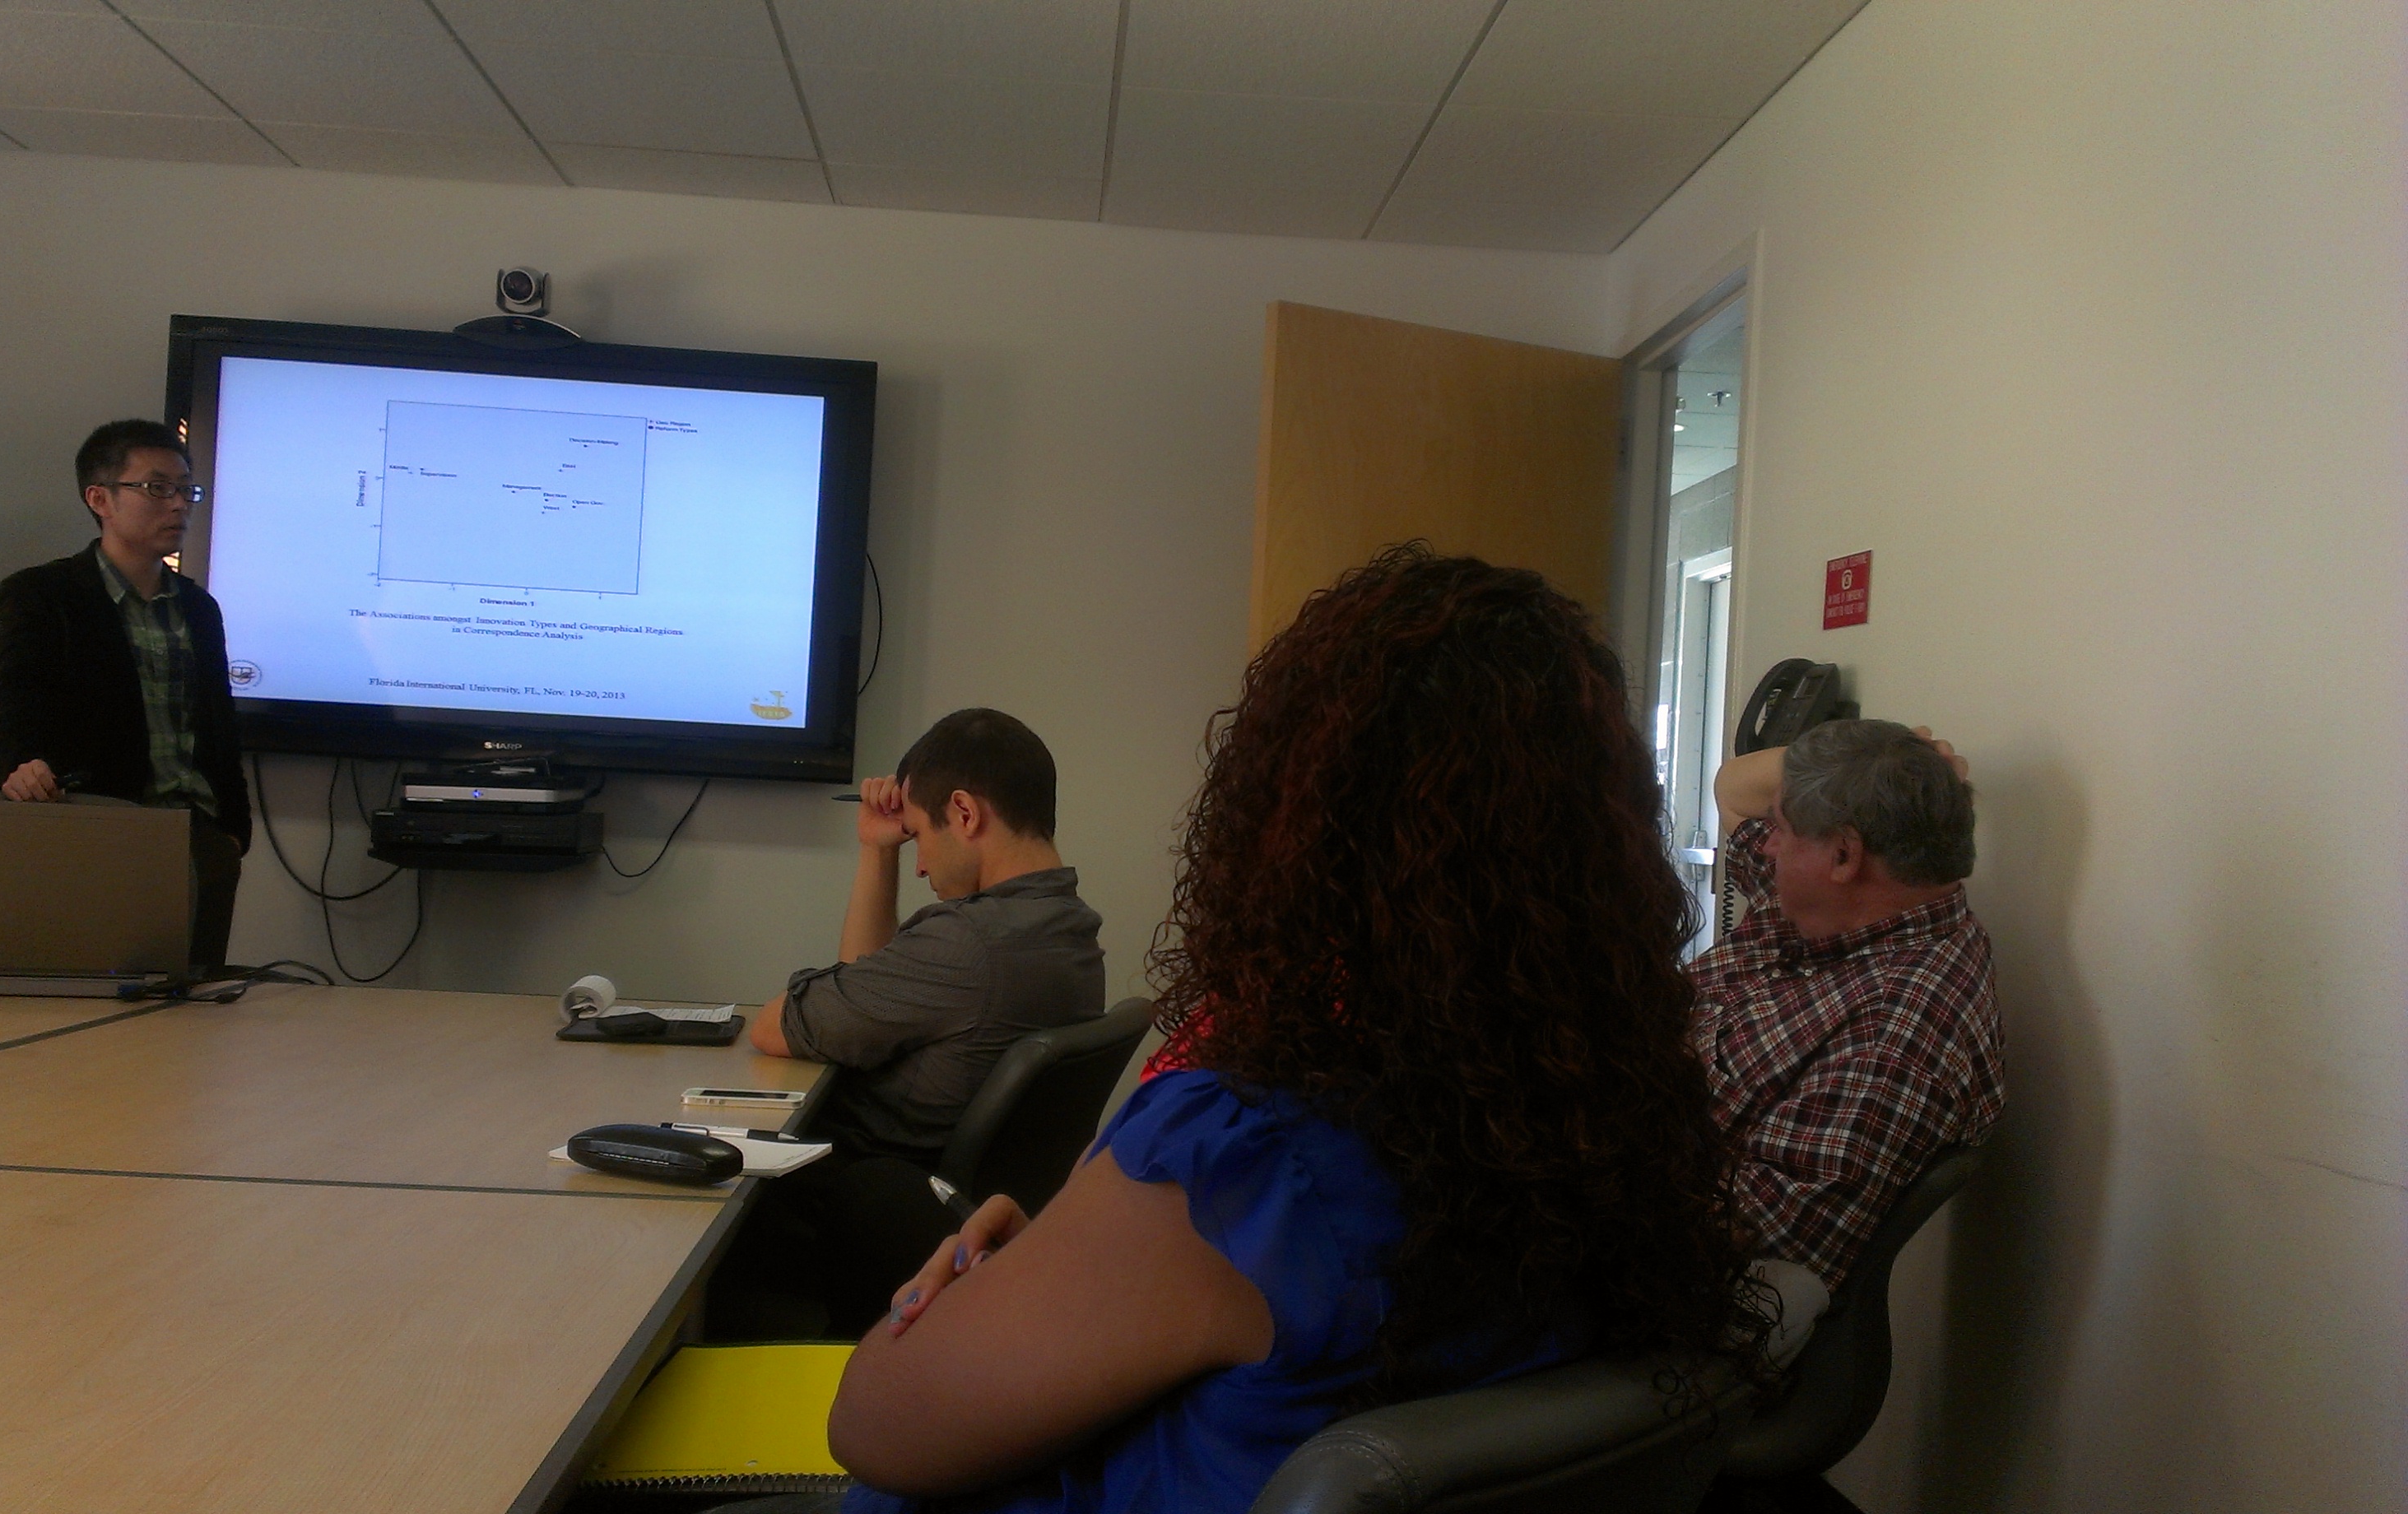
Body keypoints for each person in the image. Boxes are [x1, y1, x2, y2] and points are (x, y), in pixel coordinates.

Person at [789, 546, 1767, 1514]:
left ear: (1295, 825)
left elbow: (873, 1426)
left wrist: (987, 1294)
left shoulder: (1250, 1158)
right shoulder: (1606, 1119)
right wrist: (1079, 1261)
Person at [714, 708, 1106, 1337]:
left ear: (965, 813)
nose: (919, 864)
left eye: (918, 834)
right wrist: (879, 851)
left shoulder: (971, 943)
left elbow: (776, 1027)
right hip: (922, 1215)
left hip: (840, 1207)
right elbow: (868, 995)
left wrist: (819, 998)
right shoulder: (1068, 931)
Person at [1693, 719, 2005, 1290]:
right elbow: (1734, 786)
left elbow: (1750, 1236)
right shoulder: (1837, 904)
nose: (1766, 844)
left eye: (1780, 828)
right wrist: (1887, 758)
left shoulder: (1899, 1029)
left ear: (1842, 854)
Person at [0, 419, 249, 969]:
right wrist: (20, 763)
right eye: (157, 488)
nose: (177, 504)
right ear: (100, 499)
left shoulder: (199, 608)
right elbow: (16, 694)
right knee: (91, 999)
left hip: (198, 841)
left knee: (193, 1003)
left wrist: (232, 835)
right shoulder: (44, 593)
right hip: (97, 831)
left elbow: (220, 727)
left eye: (186, 490)